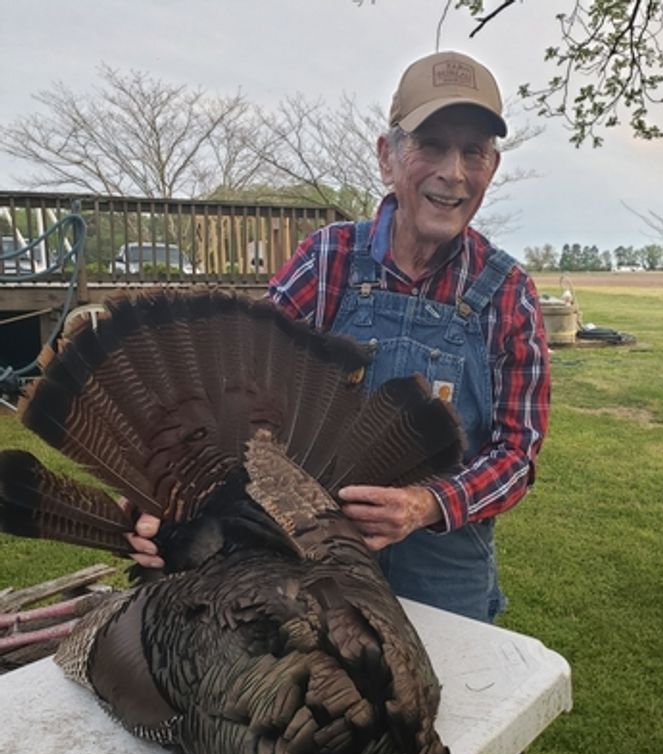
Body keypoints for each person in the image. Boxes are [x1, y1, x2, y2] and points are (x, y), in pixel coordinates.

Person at [130, 51, 550, 624]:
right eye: (431, 144)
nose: (454, 172)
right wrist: (166, 492)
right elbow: (233, 388)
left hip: (444, 568)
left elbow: (518, 453)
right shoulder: (329, 260)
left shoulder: (508, 294)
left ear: (491, 169)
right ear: (388, 156)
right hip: (305, 552)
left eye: (473, 151)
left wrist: (428, 503)